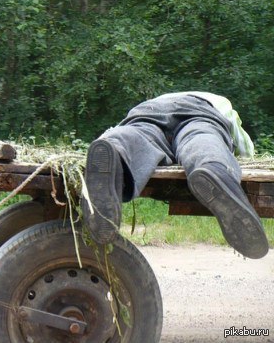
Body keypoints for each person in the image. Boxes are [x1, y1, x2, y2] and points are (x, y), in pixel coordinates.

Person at [83, 91, 267, 258]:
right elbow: (246, 149)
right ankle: (213, 166)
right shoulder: (222, 103)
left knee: (138, 135)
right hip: (200, 112)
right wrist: (237, 155)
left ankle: (116, 149)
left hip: (148, 111)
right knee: (201, 138)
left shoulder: (160, 99)